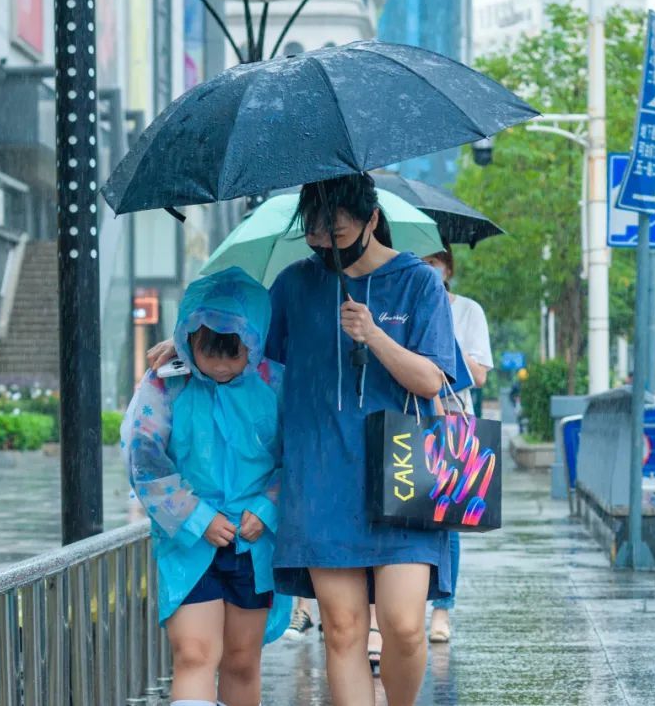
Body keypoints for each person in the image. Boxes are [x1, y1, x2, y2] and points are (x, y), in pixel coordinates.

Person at [149, 173, 455, 706]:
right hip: (319, 477)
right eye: (314, 235)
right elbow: (236, 342)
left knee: (405, 625)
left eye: (336, 233)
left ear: (371, 221)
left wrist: (374, 335)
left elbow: (432, 381)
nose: (325, 246)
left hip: (403, 470)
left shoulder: (418, 284)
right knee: (342, 629)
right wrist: (181, 341)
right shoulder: (294, 284)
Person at [124, 267, 286, 706]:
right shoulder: (166, 380)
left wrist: (267, 509)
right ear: (186, 337)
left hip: (253, 544)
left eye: (231, 353)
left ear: (252, 345)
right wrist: (196, 516)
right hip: (187, 544)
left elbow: (299, 458)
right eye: (206, 349)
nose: (217, 364)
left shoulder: (276, 382)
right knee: (194, 654)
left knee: (240, 659)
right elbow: (142, 455)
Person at [422, 245, 494, 643]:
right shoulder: (403, 304)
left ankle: (442, 610)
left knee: (448, 522)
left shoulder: (468, 311)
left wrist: (441, 341)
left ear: (447, 268)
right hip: (410, 417)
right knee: (405, 517)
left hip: (453, 422)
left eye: (432, 263)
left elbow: (480, 375)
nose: (426, 270)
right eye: (418, 263)